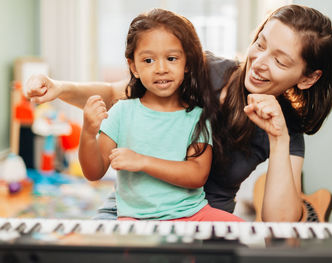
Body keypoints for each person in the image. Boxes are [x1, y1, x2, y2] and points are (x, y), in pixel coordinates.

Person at [25, 4, 332, 222]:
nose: (259, 62)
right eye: (260, 44)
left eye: (281, 61)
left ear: (308, 77)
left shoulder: (287, 130)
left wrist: (279, 138)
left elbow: (280, 225)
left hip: (203, 220)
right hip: (137, 207)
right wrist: (58, 87)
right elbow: (114, 96)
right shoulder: (203, 70)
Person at [79, 8, 243, 221]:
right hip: (136, 218)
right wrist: (88, 133)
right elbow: (94, 172)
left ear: (187, 64)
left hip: (193, 214)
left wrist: (142, 162)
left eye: (172, 58)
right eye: (148, 61)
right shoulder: (122, 112)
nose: (161, 68)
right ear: (134, 67)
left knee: (249, 234)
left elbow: (197, 175)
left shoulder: (197, 116)